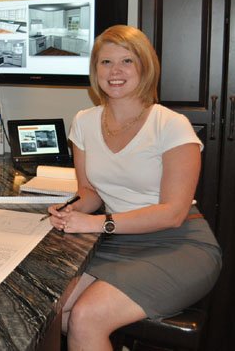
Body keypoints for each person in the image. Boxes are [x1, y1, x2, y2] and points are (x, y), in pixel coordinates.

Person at [46, 25, 221, 350]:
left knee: (85, 317)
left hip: (178, 244)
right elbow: (90, 192)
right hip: (118, 242)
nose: (115, 71)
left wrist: (97, 222)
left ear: (145, 67)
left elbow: (173, 213)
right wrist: (70, 211)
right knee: (53, 309)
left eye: (127, 61)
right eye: (105, 62)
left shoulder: (170, 124)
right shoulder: (84, 121)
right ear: (95, 69)